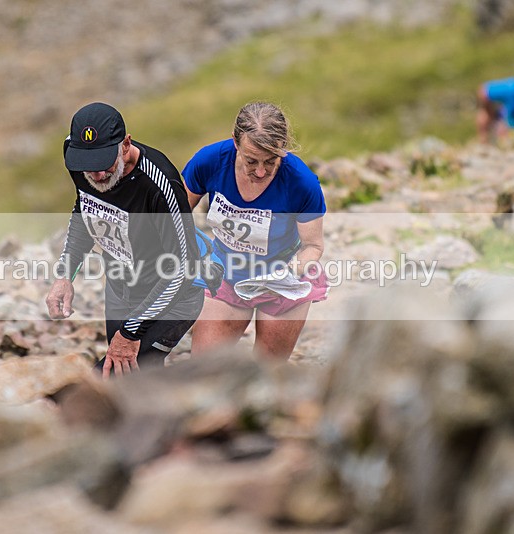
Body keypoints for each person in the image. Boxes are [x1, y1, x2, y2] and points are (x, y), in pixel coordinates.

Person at [46, 102, 204, 379]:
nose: (97, 176)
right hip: (121, 287)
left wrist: (131, 332)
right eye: (87, 168)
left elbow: (183, 270)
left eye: (104, 164)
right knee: (136, 380)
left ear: (126, 144)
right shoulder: (77, 155)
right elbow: (86, 210)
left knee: (108, 377)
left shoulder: (160, 186)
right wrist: (65, 275)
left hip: (172, 297)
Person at [182, 102, 328, 360]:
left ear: (283, 147)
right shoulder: (209, 161)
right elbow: (175, 216)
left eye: (271, 161)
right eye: (251, 160)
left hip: (281, 282)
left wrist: (287, 274)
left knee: (268, 369)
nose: (260, 172)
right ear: (235, 143)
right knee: (204, 366)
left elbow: (313, 246)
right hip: (225, 274)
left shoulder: (301, 183)